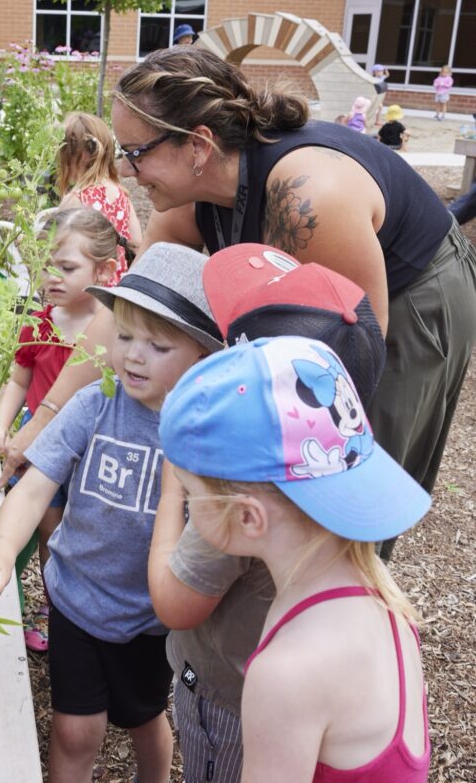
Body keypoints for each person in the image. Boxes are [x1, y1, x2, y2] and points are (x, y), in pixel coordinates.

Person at [108, 44, 476, 561]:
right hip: (341, 281)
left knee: (345, 457)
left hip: (411, 288)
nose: (127, 172)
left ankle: (342, 602)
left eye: (135, 152)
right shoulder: (191, 196)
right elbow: (134, 308)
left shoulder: (308, 199)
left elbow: (352, 362)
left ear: (197, 144)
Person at [0, 243, 224, 783]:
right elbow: (36, 487)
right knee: (74, 731)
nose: (133, 355)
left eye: (157, 345)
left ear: (203, 358)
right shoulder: (94, 405)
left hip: (150, 619)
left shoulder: (204, 437)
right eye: (124, 336)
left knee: (146, 718)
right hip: (76, 601)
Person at [149, 242, 387, 783]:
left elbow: (174, 604)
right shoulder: (341, 451)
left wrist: (171, 492)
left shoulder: (237, 496)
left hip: (227, 708)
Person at [159, 336, 431, 782]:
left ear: (248, 517)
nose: (187, 504)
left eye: (191, 494)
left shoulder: (285, 673)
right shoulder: (381, 594)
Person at [0, 208, 132, 652]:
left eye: (66, 268)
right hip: (39, 438)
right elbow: (18, 380)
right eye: (45, 266)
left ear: (105, 270)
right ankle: (49, 608)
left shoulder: (113, 329)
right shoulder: (40, 322)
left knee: (86, 528)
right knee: (49, 527)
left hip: (92, 440)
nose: (52, 277)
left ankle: (87, 604)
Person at [57, 112, 142, 282]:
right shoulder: (120, 193)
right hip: (117, 285)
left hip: (87, 287)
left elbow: (58, 246)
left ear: (67, 156)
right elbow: (137, 242)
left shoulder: (75, 198)